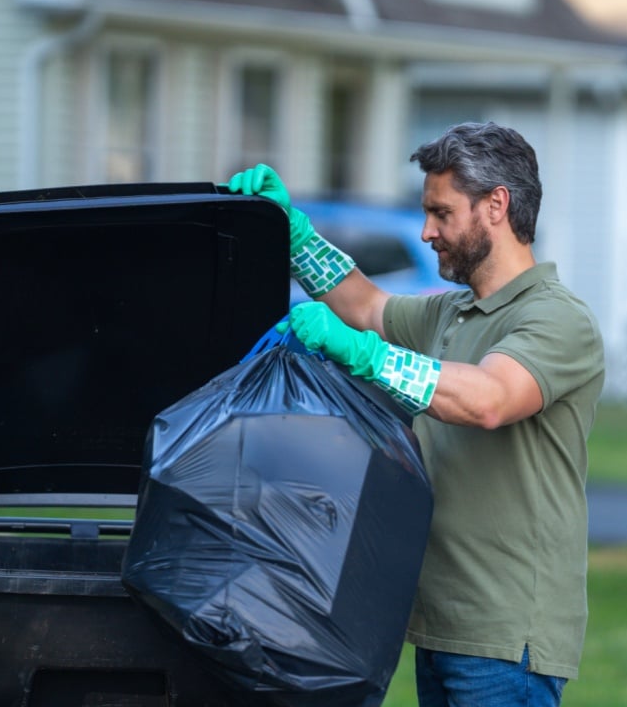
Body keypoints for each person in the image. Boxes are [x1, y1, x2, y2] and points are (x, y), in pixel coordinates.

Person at [227, 121, 605, 707]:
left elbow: (487, 398)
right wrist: (293, 233)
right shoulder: (451, 314)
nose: (427, 231)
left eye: (442, 213)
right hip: (438, 623)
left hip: (507, 638)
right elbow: (365, 304)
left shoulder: (557, 319)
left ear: (496, 206)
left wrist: (367, 354)